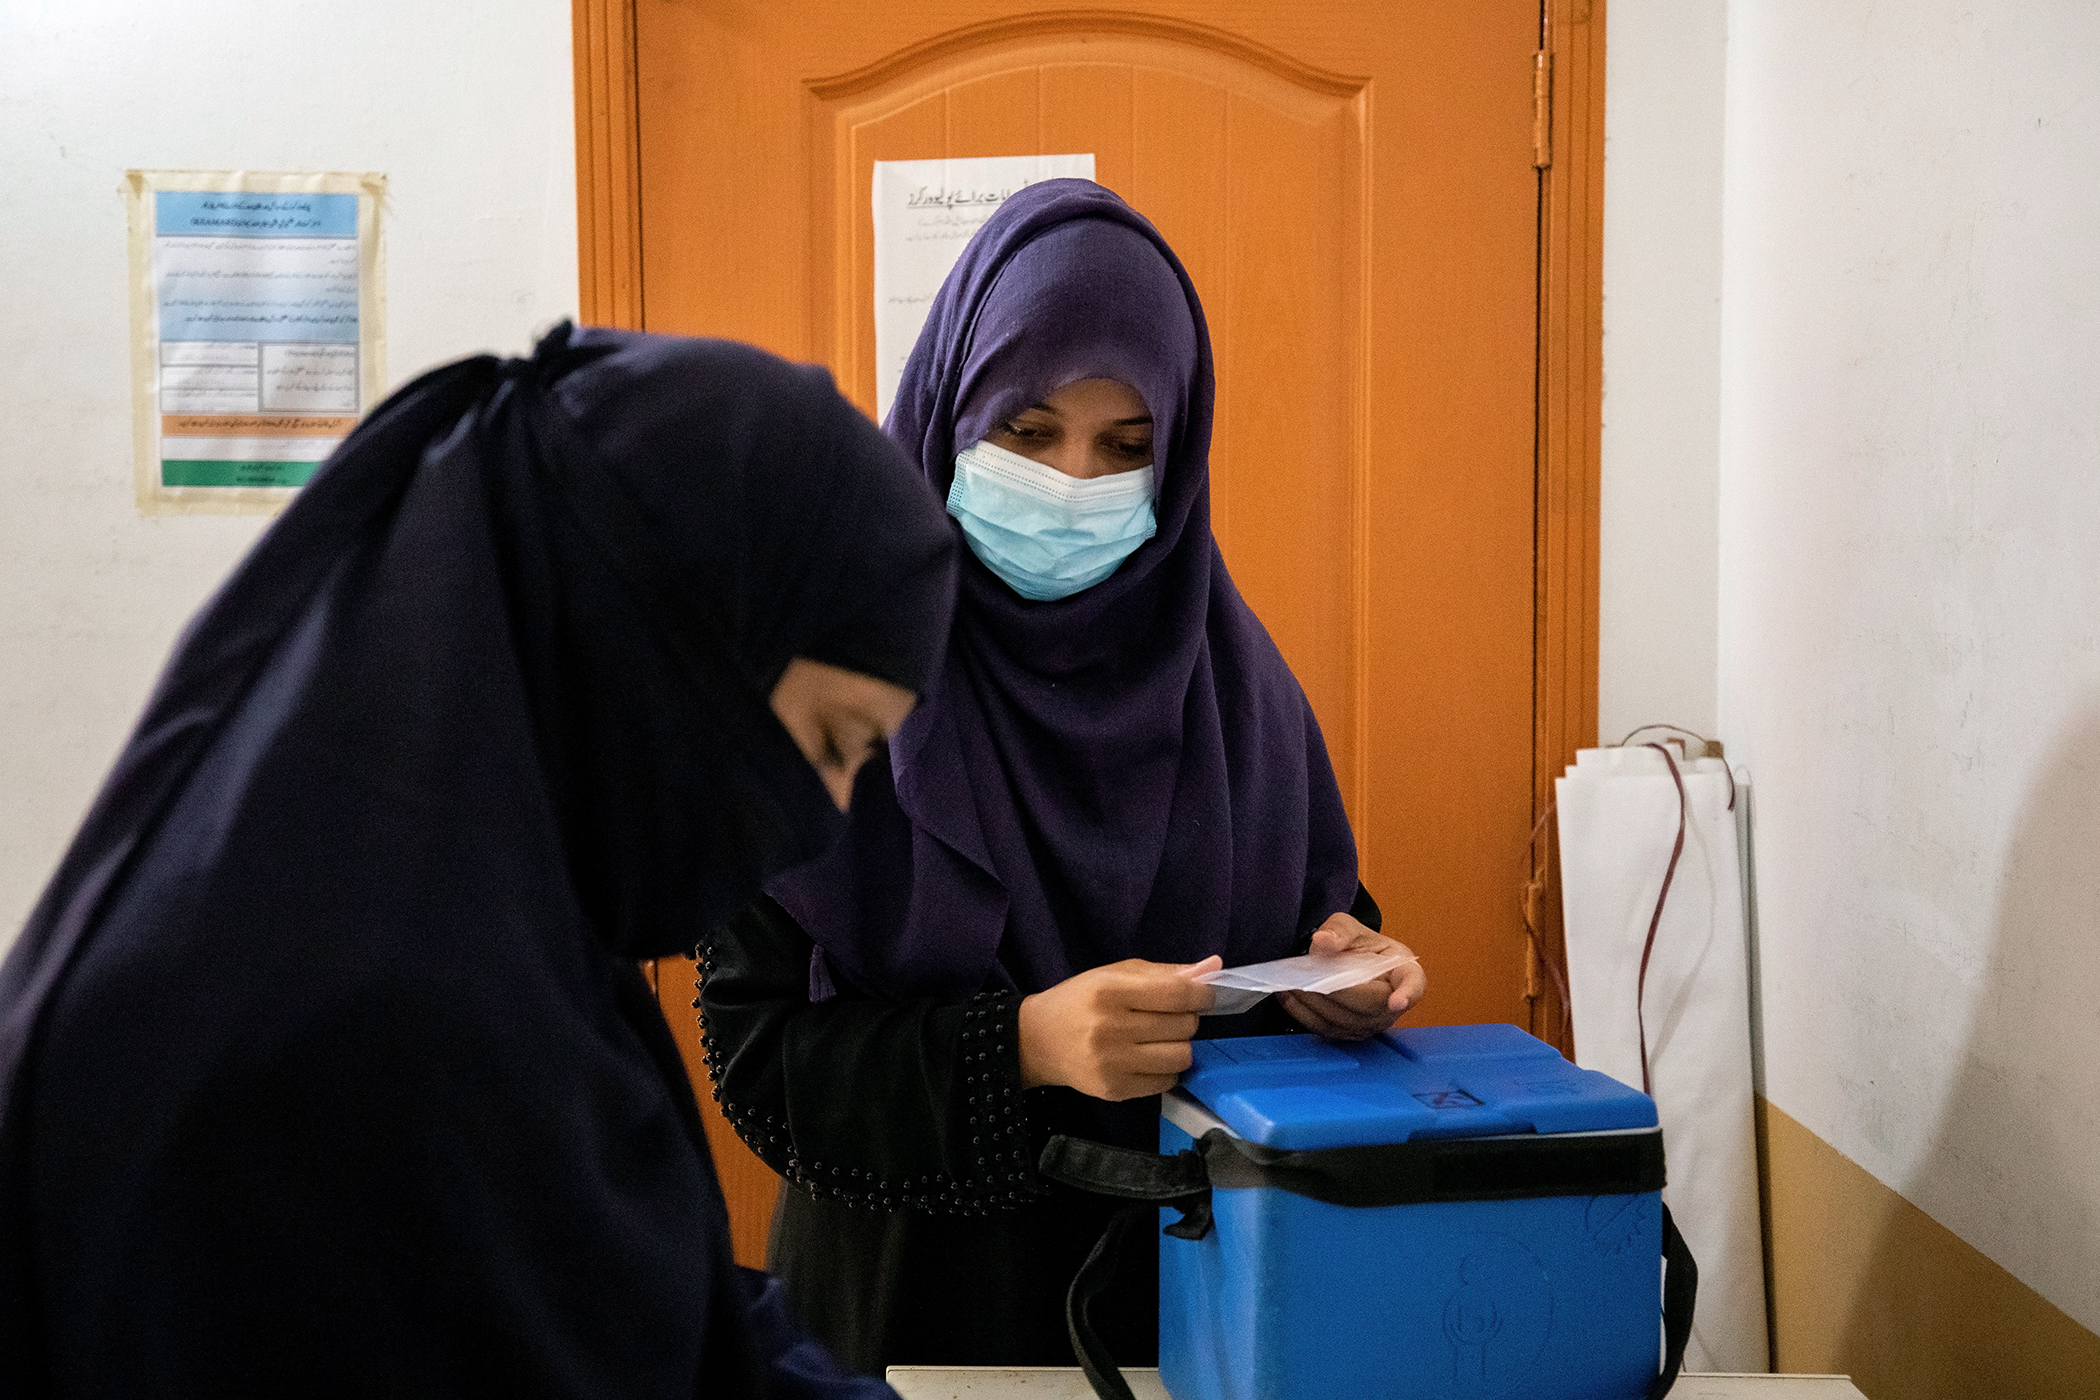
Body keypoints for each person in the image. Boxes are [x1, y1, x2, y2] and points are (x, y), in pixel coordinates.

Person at [0, 325, 957, 1398]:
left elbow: (642, 1298)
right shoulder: (355, 1032)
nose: (826, 816)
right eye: (831, 742)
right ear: (651, 657)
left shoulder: (467, 914)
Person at [699, 180, 1428, 1372]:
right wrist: (1019, 1045)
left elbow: (1310, 931)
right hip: (910, 1317)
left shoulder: (1235, 687)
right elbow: (758, 1063)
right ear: (948, 415)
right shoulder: (821, 684)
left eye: (1126, 447)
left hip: (1201, 1303)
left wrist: (1341, 982)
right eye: (1027, 433)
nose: (1073, 483)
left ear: (1179, 459)